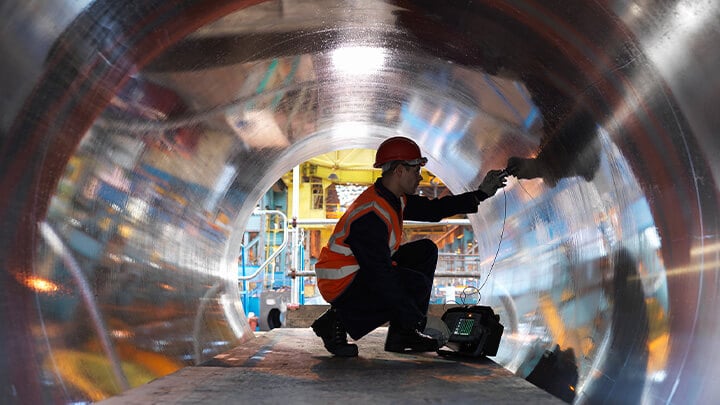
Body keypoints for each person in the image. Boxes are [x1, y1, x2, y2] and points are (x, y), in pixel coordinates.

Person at [311, 136, 508, 357]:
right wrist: (421, 321)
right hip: (341, 283)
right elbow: (380, 277)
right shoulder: (371, 214)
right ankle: (335, 322)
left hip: (359, 272)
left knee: (425, 251)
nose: (420, 176)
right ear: (399, 171)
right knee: (412, 284)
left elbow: (434, 210)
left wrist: (480, 194)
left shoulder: (395, 198)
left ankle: (403, 335)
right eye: (415, 170)